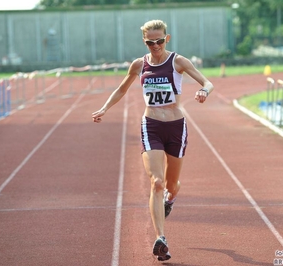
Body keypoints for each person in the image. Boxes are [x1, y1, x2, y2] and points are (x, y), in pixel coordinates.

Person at [92, 19, 214, 261]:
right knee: (156, 182)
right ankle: (161, 239)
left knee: (171, 184)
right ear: (144, 42)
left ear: (166, 39)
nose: (155, 45)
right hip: (151, 126)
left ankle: (172, 199)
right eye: (150, 42)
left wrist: (203, 91)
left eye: (159, 41)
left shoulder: (178, 61)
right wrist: (104, 108)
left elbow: (208, 82)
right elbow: (121, 89)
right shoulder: (139, 65)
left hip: (176, 127)